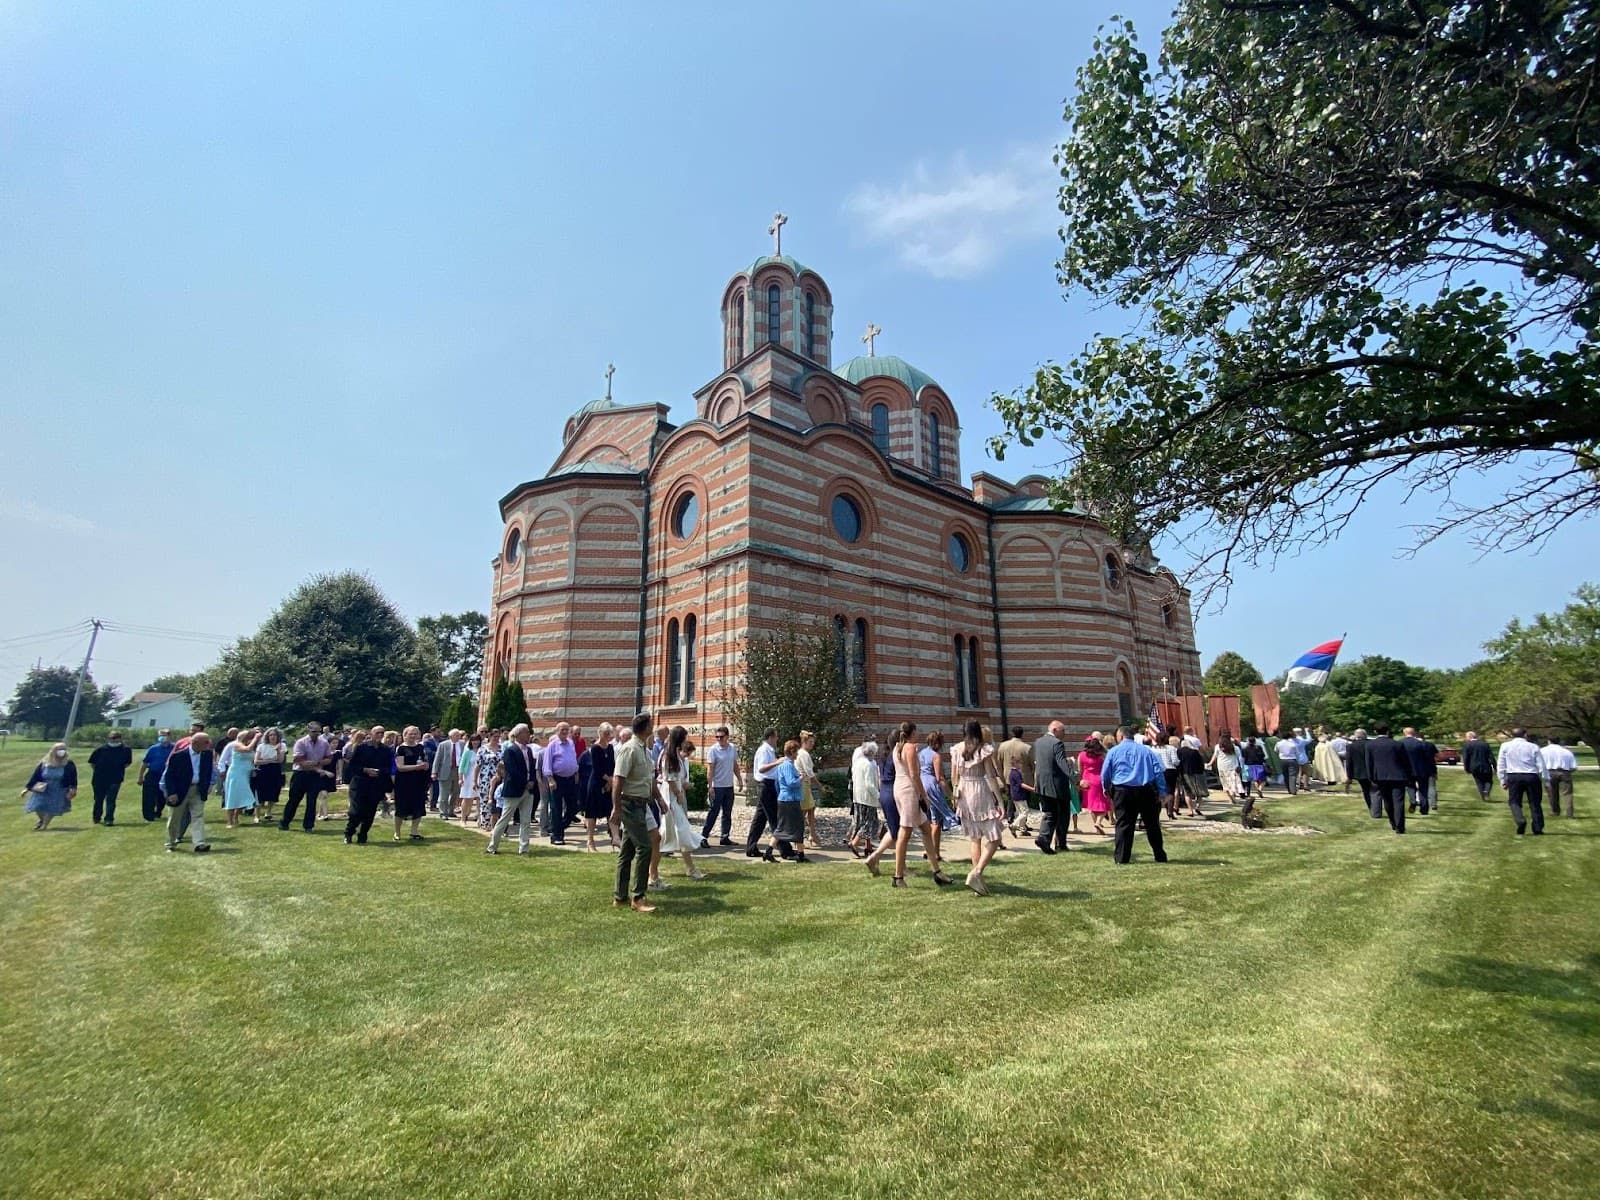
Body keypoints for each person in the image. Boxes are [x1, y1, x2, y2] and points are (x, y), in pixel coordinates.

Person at [869, 722, 950, 887]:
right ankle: (898, 877)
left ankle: (937, 871)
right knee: (904, 834)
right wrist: (923, 796)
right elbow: (914, 774)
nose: (919, 733)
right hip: (908, 791)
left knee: (926, 830)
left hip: (899, 788)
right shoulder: (910, 748)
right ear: (912, 732)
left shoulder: (897, 748)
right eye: (917, 730)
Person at [950, 721, 1006, 895]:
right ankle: (977, 872)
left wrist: (954, 795)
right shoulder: (984, 749)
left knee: (975, 838)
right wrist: (1001, 801)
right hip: (979, 790)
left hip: (963, 791)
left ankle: (977, 882)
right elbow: (990, 776)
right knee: (995, 836)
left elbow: (954, 776)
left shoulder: (956, 749)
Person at [611, 713, 658, 912]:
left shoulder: (645, 750)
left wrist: (660, 800)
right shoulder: (629, 749)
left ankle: (620, 897)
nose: (653, 727)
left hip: (642, 804)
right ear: (644, 727)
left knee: (627, 852)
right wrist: (617, 807)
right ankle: (638, 897)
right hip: (630, 805)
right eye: (651, 724)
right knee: (645, 848)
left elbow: (649, 780)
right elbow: (618, 780)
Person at [1103, 724, 1169, 863]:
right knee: (1152, 824)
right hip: (1145, 790)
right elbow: (1158, 771)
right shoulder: (1147, 751)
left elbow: (1106, 773)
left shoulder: (1113, 751)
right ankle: (1159, 855)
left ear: (1120, 736)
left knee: (1124, 825)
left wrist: (1106, 788)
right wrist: (1162, 791)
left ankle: (1122, 858)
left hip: (1122, 790)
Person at [655, 726, 706, 879]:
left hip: (673, 795)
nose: (686, 740)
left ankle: (690, 869)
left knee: (677, 832)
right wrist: (678, 794)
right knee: (671, 832)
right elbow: (670, 778)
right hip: (670, 796)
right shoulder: (669, 755)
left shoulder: (674, 754)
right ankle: (652, 871)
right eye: (684, 737)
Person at [487, 724, 538, 855]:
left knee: (526, 821)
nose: (528, 735)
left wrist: (532, 781)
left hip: (528, 791)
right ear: (519, 734)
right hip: (514, 789)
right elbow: (512, 770)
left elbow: (532, 768)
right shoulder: (510, 750)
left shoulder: (529, 750)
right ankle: (492, 846)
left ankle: (524, 848)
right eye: (526, 732)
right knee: (505, 818)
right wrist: (524, 783)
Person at [161, 732, 214, 852]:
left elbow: (208, 771)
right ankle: (170, 843)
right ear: (195, 743)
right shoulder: (178, 756)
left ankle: (199, 843)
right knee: (175, 818)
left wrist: (208, 784)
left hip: (197, 790)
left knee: (198, 816)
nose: (208, 744)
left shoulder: (207, 754)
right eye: (206, 742)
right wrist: (171, 793)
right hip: (180, 791)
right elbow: (169, 775)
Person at [343, 726, 393, 846]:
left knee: (370, 812)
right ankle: (348, 833)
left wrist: (379, 772)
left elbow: (388, 767)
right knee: (356, 811)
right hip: (360, 783)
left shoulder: (386, 750)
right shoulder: (361, 747)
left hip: (376, 785)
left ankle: (363, 835)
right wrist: (365, 770)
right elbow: (352, 766)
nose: (380, 735)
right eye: (377, 733)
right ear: (371, 733)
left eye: (382, 733)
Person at [1031, 721, 1075, 854]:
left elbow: (1039, 763)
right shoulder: (1057, 743)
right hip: (1057, 785)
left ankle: (1044, 838)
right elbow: (1061, 763)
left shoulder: (1037, 742)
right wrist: (1075, 779)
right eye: (1063, 731)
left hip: (1042, 783)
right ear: (1055, 730)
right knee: (1063, 814)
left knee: (1049, 813)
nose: (1064, 734)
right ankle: (1060, 843)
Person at [281, 722, 333, 832]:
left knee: (312, 801)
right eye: (314, 731)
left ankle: (308, 826)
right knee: (294, 800)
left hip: (315, 776)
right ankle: (285, 822)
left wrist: (316, 762)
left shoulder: (324, 743)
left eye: (318, 732)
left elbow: (329, 758)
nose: (316, 734)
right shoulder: (301, 743)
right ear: (308, 730)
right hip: (300, 775)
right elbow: (300, 762)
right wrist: (318, 764)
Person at [1497, 727, 1545, 836]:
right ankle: (1537, 828)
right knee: (1535, 802)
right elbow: (1541, 765)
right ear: (1525, 735)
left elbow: (1501, 764)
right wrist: (1546, 779)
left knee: (1514, 801)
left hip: (1514, 776)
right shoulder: (1533, 747)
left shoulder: (1505, 746)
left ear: (1512, 735)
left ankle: (1520, 820)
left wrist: (1502, 779)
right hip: (1531, 776)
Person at [919, 731, 958, 865]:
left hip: (921, 785)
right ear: (938, 743)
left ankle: (933, 851)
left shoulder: (921, 753)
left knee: (930, 819)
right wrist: (950, 795)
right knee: (936, 821)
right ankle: (933, 853)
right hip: (932, 786)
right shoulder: (936, 756)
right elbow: (940, 777)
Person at [700, 725, 743, 846]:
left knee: (727, 813)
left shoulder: (732, 748)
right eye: (717, 737)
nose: (719, 739)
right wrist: (710, 786)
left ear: (727, 737)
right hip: (717, 786)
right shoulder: (713, 750)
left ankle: (725, 836)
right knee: (713, 812)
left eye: (721, 737)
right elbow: (710, 769)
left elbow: (734, 765)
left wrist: (739, 779)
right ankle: (703, 836)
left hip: (728, 786)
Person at [1366, 725, 1412, 834]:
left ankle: (1393, 822)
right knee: (1398, 801)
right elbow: (1405, 761)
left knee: (1387, 801)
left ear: (1375, 731)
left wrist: (1371, 777)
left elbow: (1369, 763)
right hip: (1398, 776)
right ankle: (1400, 826)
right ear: (1387, 731)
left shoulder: (1370, 745)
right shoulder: (1397, 744)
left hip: (1380, 777)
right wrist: (1409, 776)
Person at [745, 727, 783, 858]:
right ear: (770, 737)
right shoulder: (764, 751)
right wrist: (777, 762)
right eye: (776, 736)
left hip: (768, 785)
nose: (777, 739)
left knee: (760, 819)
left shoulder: (769, 750)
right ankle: (785, 849)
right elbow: (761, 769)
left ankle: (751, 847)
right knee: (774, 818)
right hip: (766, 785)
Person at [541, 721, 581, 845]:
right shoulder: (552, 745)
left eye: (566, 729)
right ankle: (557, 836)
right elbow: (547, 764)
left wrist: (576, 773)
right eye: (562, 729)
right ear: (557, 731)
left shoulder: (570, 744)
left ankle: (558, 827)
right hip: (557, 780)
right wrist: (550, 780)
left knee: (573, 807)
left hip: (570, 779)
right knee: (556, 808)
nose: (564, 732)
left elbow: (573, 759)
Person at [23, 743, 77, 831]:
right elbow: (36, 776)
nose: (62, 751)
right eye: (59, 749)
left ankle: (44, 825)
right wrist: (27, 788)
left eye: (64, 749)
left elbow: (73, 778)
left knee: (52, 808)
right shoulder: (44, 763)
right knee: (37, 806)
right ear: (53, 751)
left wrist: (73, 789)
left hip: (59, 788)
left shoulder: (68, 764)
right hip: (43, 787)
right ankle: (41, 820)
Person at [391, 726, 430, 841]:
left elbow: (424, 760)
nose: (413, 736)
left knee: (418, 807)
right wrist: (417, 767)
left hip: (418, 781)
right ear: (405, 735)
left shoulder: (420, 747)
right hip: (404, 782)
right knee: (401, 808)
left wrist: (425, 766)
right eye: (410, 734)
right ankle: (397, 832)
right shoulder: (401, 749)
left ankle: (414, 831)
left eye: (415, 734)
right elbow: (400, 767)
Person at [580, 723, 616, 851]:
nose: (608, 736)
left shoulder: (611, 748)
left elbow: (612, 765)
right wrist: (607, 779)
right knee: (592, 812)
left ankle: (615, 838)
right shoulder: (595, 748)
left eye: (609, 734)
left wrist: (610, 782)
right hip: (596, 783)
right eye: (606, 733)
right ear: (600, 733)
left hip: (609, 783)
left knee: (610, 810)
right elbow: (597, 768)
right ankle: (590, 841)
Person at [87, 731, 133, 826]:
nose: (114, 739)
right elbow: (92, 763)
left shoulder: (126, 750)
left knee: (111, 800)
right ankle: (96, 817)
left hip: (115, 778)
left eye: (116, 737)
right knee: (98, 799)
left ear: (120, 738)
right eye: (112, 738)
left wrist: (117, 769)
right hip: (99, 779)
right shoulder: (100, 749)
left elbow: (127, 763)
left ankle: (109, 819)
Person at [997, 725, 1036, 836]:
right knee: (1024, 804)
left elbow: (998, 762)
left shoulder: (1002, 746)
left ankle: (1010, 818)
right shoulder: (1026, 747)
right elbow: (1032, 764)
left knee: (1011, 799)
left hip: (1007, 776)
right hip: (1024, 778)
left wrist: (1001, 776)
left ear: (1012, 733)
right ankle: (1021, 824)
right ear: (1022, 734)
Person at [847, 740, 882, 857]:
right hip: (868, 798)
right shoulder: (869, 765)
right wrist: (878, 796)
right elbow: (870, 784)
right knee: (869, 823)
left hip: (857, 797)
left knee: (860, 821)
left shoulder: (857, 763)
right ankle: (855, 842)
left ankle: (867, 847)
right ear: (872, 752)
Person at [221, 728, 263, 828]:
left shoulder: (251, 746)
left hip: (246, 774)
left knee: (244, 796)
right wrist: (256, 738)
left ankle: (236, 816)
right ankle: (229, 821)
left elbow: (253, 758)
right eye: (250, 738)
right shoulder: (237, 745)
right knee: (233, 796)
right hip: (236, 773)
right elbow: (247, 749)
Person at [138, 730, 175, 823]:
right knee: (148, 796)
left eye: (164, 735)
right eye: (160, 735)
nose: (162, 737)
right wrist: (140, 776)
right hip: (153, 775)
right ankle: (148, 816)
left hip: (167, 776)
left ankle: (158, 812)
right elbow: (145, 763)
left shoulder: (174, 748)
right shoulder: (153, 749)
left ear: (169, 736)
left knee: (162, 796)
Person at [251, 728, 287, 824]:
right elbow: (256, 761)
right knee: (260, 793)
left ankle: (269, 812)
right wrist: (270, 760)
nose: (273, 737)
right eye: (271, 735)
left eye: (275, 735)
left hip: (275, 770)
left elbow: (280, 760)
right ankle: (257, 815)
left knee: (274, 791)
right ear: (267, 736)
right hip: (263, 771)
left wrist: (278, 751)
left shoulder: (282, 745)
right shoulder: (261, 746)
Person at [1079, 735, 1111, 835]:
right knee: (1105, 804)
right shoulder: (1101, 755)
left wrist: (1081, 781)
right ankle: (1098, 822)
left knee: (1091, 806)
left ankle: (1096, 828)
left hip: (1087, 781)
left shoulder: (1081, 755)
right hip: (1098, 780)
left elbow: (1080, 769)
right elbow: (1106, 768)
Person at [1400, 727, 1437, 815]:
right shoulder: (1422, 744)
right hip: (1422, 770)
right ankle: (1424, 808)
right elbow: (1429, 759)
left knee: (1410, 787)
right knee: (1423, 789)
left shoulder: (1400, 744)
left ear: (1404, 733)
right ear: (1414, 733)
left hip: (1407, 770)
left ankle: (1413, 801)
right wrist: (1432, 771)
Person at [797, 730, 822, 848]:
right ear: (804, 742)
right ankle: (798, 837)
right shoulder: (803, 754)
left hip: (805, 784)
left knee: (811, 808)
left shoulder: (803, 753)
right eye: (810, 742)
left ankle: (812, 833)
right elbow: (809, 773)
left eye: (813, 742)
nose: (812, 744)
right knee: (803, 812)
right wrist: (819, 785)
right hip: (803, 784)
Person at [1541, 737, 1577, 819]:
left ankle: (1555, 811)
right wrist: (1567, 773)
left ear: (1549, 741)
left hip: (1549, 772)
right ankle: (1570, 814)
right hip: (1564, 772)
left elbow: (1539, 764)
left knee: (1552, 793)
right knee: (1567, 793)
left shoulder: (1543, 751)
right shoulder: (1567, 752)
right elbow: (1574, 767)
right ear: (1559, 741)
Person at [432, 728, 464, 820]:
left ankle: (451, 811)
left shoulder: (463, 744)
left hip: (458, 771)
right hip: (445, 771)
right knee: (444, 794)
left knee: (455, 792)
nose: (458, 737)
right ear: (450, 736)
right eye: (456, 735)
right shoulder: (443, 745)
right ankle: (443, 812)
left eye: (459, 735)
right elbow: (437, 759)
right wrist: (434, 772)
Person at [475, 730, 504, 831]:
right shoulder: (483, 749)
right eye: (494, 736)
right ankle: (485, 823)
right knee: (486, 799)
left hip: (499, 777)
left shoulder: (502, 748)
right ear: (490, 737)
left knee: (498, 799)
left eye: (498, 737)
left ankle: (497, 823)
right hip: (486, 777)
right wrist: (475, 781)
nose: (496, 738)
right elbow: (478, 765)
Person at [1176, 736, 1208, 816]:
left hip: (1185, 774)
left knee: (1188, 793)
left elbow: (1178, 763)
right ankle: (1198, 807)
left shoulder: (1178, 752)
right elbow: (1201, 763)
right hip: (1197, 774)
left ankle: (1190, 811)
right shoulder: (1195, 752)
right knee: (1199, 792)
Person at [1208, 734, 1244, 802]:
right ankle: (1232, 796)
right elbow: (1240, 758)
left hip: (1221, 767)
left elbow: (1215, 756)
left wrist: (1210, 763)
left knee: (1225, 784)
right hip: (1233, 767)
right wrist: (1241, 766)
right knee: (1233, 783)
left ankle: (1231, 798)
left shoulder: (1218, 747)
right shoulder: (1235, 748)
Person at [1461, 731, 1495, 801]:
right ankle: (1486, 791)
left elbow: (1466, 758)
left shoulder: (1467, 745)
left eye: (1466, 737)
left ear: (1469, 737)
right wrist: (1495, 766)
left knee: (1478, 781)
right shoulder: (1485, 744)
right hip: (1486, 765)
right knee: (1489, 780)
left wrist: (1466, 768)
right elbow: (1491, 757)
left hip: (1474, 766)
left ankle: (1483, 796)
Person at [1155, 733, 1182, 818]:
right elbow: (1175, 761)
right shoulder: (1171, 748)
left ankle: (1162, 808)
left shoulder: (1154, 749)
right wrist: (1179, 762)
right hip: (1170, 770)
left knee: (1161, 791)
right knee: (1170, 791)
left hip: (1159, 771)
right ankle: (1170, 811)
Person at [1346, 729, 1373, 811]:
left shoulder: (1351, 746)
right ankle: (1377, 807)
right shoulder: (1371, 744)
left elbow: (1349, 762)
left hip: (1359, 772)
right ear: (1365, 735)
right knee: (1376, 791)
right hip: (1373, 770)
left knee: (1366, 790)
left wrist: (1349, 776)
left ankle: (1371, 807)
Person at [458, 732, 482, 823]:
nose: (475, 742)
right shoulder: (468, 752)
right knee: (467, 798)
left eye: (477, 740)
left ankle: (480, 819)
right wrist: (460, 778)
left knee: (480, 798)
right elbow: (462, 765)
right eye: (473, 741)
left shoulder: (482, 750)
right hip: (468, 777)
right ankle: (463, 818)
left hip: (481, 777)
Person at [1240, 736, 1268, 801]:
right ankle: (1260, 789)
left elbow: (1243, 758)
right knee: (1263, 779)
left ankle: (1258, 789)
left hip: (1249, 765)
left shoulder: (1245, 749)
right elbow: (1263, 756)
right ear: (1255, 741)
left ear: (1248, 741)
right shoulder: (1258, 747)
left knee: (1255, 780)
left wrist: (1243, 766)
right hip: (1259, 765)